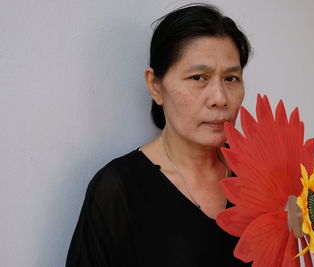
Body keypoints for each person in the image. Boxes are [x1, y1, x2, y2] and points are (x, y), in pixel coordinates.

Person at [66, 4, 252, 266]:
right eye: (199, 77)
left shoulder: (261, 175)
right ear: (155, 85)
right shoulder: (119, 191)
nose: (220, 99)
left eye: (231, 79)